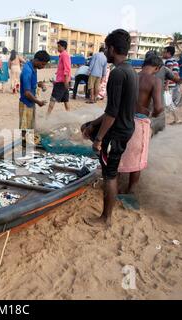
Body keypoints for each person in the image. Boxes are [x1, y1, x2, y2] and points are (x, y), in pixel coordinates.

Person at [81, 29, 138, 228]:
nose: (105, 51)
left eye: (106, 48)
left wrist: (98, 140)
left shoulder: (117, 73)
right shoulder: (131, 71)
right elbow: (114, 111)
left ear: (112, 48)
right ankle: (107, 214)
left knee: (109, 174)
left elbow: (112, 113)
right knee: (87, 129)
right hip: (125, 128)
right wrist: (91, 125)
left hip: (116, 132)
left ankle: (106, 218)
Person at [118, 55, 164, 195]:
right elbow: (158, 107)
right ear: (157, 68)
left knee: (119, 154)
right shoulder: (155, 81)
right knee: (137, 159)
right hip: (139, 122)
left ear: (144, 64)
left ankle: (115, 186)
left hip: (122, 119)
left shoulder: (131, 76)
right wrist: (154, 114)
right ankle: (130, 190)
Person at [19, 51, 51, 146]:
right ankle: (23, 143)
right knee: (25, 125)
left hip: (31, 102)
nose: (43, 66)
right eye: (42, 64)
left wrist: (39, 84)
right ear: (36, 60)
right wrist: (38, 102)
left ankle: (28, 141)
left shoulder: (34, 67)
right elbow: (27, 92)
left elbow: (31, 85)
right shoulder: (27, 70)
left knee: (30, 124)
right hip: (26, 102)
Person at [47, 40, 71, 116]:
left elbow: (67, 69)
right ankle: (69, 115)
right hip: (62, 81)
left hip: (62, 82)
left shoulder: (64, 55)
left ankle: (47, 116)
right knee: (66, 100)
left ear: (63, 47)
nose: (57, 48)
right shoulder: (63, 55)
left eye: (59, 46)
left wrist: (66, 82)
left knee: (53, 99)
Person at [161, 46, 182, 125]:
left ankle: (177, 119)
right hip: (173, 84)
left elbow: (169, 73)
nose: (163, 53)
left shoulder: (169, 61)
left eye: (164, 52)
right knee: (168, 102)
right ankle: (176, 119)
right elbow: (176, 73)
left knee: (168, 102)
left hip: (169, 85)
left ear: (169, 53)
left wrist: (166, 84)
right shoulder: (175, 61)